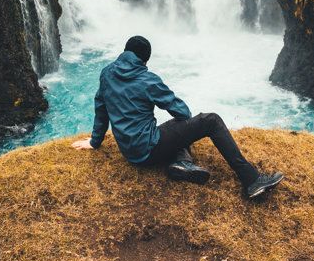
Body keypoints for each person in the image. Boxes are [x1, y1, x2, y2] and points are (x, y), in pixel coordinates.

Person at [72, 35, 284, 200]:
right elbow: (182, 113)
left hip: (130, 153)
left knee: (173, 129)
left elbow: (101, 108)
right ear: (144, 60)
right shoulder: (147, 79)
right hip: (148, 149)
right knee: (211, 120)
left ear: (125, 52)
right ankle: (252, 179)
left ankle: (182, 164)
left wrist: (94, 141)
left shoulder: (106, 73)